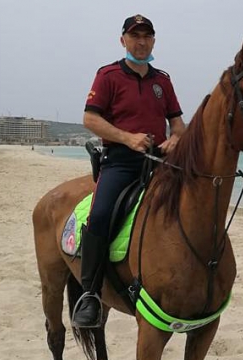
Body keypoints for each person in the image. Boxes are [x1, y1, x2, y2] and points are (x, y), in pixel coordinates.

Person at [72, 14, 186, 328]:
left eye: (147, 36)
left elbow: (177, 123)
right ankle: (90, 295)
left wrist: (176, 139)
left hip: (160, 162)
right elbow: (90, 119)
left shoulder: (162, 80)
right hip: (121, 161)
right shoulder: (108, 75)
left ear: (153, 41)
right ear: (123, 39)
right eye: (135, 36)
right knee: (100, 215)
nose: (141, 42)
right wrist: (127, 137)